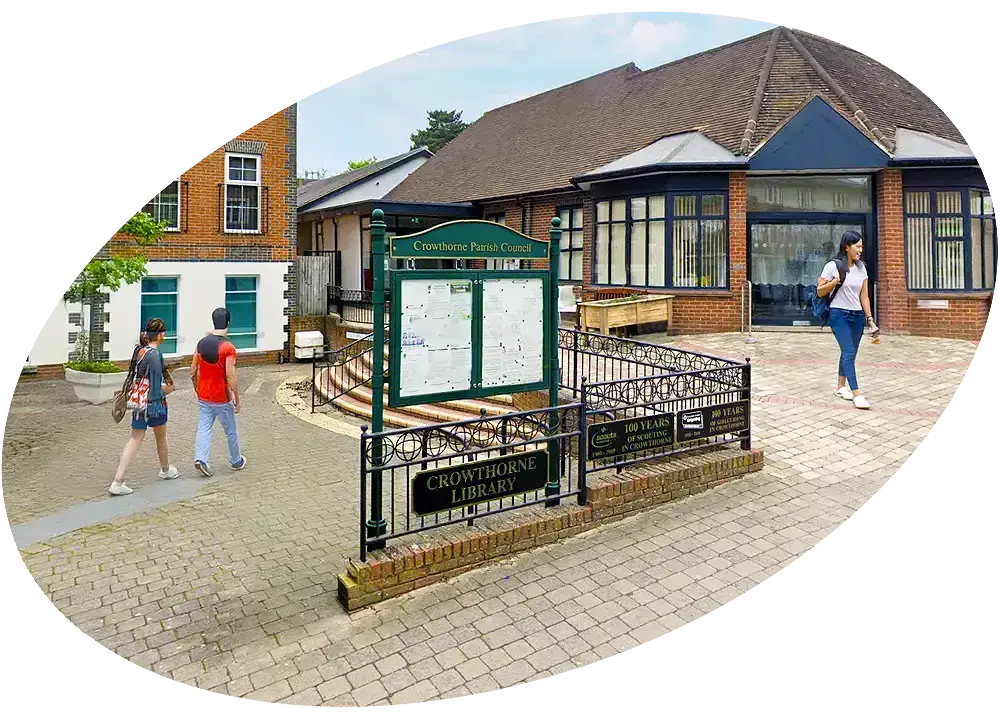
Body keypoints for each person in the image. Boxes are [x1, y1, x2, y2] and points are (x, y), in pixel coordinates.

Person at [109, 318, 178, 495]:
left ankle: (118, 479)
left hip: (138, 402)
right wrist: (167, 390)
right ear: (160, 335)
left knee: (135, 438)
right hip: (154, 405)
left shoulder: (140, 352)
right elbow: (156, 386)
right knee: (161, 436)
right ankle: (165, 469)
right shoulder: (155, 354)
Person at [817, 230, 879, 410]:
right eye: (857, 246)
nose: (861, 250)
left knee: (848, 353)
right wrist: (834, 282)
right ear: (847, 247)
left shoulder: (862, 268)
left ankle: (840, 387)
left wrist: (870, 320)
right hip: (839, 315)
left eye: (861, 246)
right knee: (849, 351)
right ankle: (857, 393)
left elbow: (865, 296)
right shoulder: (832, 266)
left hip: (857, 316)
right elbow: (820, 291)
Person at [190, 307, 246, 476]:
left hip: (204, 396)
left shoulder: (200, 344)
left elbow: (193, 371)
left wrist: (197, 391)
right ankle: (236, 460)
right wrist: (236, 397)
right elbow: (231, 375)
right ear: (228, 323)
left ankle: (201, 459)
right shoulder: (228, 348)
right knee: (230, 430)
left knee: (204, 428)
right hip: (221, 398)